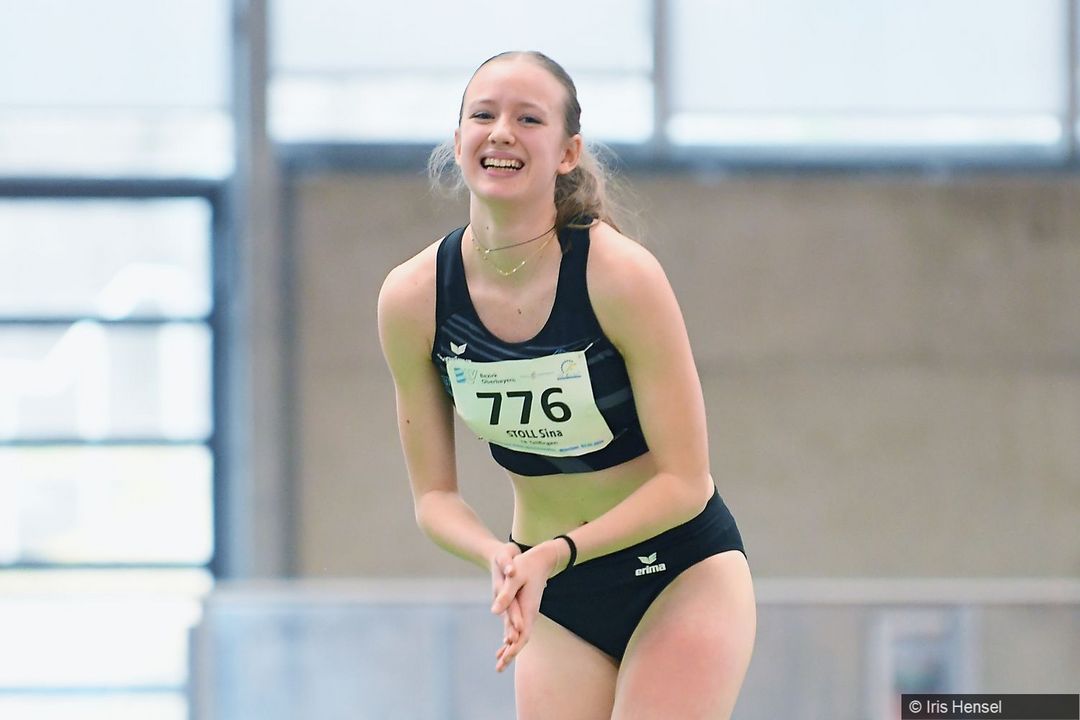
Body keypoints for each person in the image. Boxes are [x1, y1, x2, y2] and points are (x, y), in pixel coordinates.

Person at [377, 50, 756, 719]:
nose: (501, 132)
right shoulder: (413, 299)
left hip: (678, 571)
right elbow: (434, 496)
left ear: (567, 152)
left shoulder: (621, 277)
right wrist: (500, 556)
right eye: (483, 115)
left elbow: (685, 481)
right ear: (459, 140)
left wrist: (559, 551)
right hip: (553, 590)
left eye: (529, 119)